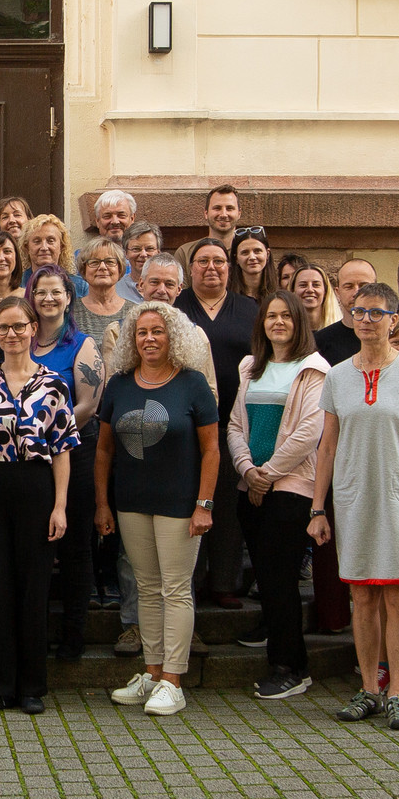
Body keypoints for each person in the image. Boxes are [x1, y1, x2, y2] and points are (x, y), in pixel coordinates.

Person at [306, 283, 399, 733]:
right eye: (359, 311)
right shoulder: (338, 375)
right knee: (362, 595)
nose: (366, 320)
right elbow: (327, 446)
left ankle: (397, 692)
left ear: (392, 318)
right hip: (353, 497)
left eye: (376, 313)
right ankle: (368, 687)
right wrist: (318, 508)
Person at [95, 301, 221, 715]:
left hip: (180, 505)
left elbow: (211, 450)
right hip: (132, 503)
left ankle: (173, 681)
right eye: (142, 332)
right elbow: (104, 450)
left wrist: (204, 505)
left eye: (158, 331)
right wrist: (103, 504)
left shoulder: (193, 384)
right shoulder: (119, 385)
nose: (149, 339)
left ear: (173, 337)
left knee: (175, 589)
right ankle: (151, 673)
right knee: (147, 589)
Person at [0, 297, 76, 714]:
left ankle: (30, 687)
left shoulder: (54, 384)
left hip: (37, 487)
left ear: (33, 329)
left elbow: (62, 449)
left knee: (33, 586)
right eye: (3, 327)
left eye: (19, 326)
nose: (12, 334)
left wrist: (60, 506)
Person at [225, 290, 329, 701]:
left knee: (280, 580)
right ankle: (283, 653)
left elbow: (309, 433)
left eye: (287, 315)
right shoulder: (251, 367)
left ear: (299, 322)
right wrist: (248, 471)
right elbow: (236, 425)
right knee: (268, 579)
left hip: (290, 490)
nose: (279, 322)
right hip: (251, 487)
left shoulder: (314, 369)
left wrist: (266, 475)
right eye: (271, 316)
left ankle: (291, 668)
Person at [23, 266, 105, 661]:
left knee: (75, 546)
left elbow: (89, 404)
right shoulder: (21, 340)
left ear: (68, 297)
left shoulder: (82, 345)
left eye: (56, 291)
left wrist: (46, 433)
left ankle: (74, 634)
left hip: (75, 451)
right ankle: (33, 633)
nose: (48, 298)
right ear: (31, 297)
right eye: (41, 291)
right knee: (35, 545)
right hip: (29, 458)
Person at [174, 238, 258, 610]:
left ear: (229, 268)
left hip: (232, 423)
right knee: (186, 503)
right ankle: (189, 581)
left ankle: (224, 582)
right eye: (203, 261)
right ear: (190, 269)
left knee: (225, 503)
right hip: (184, 423)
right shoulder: (177, 307)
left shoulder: (249, 309)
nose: (211, 267)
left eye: (219, 261)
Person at [312, 257, 375, 366]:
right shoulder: (319, 342)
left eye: (363, 286)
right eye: (349, 287)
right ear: (338, 292)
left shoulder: (389, 336)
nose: (356, 292)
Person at [73, 237, 134, 344]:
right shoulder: (70, 311)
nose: (102, 267)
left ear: (120, 269)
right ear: (83, 270)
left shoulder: (134, 312)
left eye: (109, 262)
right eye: (94, 262)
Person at [22, 214, 88, 297]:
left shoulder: (80, 287)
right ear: (26, 247)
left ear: (62, 246)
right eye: (37, 241)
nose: (44, 247)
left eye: (50, 241)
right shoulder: (16, 285)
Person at [117, 221, 161, 304]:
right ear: (126, 253)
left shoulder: (168, 288)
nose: (143, 254)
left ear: (158, 253)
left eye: (149, 249)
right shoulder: (115, 289)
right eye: (136, 249)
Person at [289, 261, 340, 333]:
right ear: (293, 291)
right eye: (303, 285)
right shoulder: (287, 333)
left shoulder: (338, 331)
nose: (310, 290)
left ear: (325, 291)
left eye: (316, 285)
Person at [229, 228, 275, 302]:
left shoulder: (278, 296)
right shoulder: (226, 297)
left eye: (257, 251)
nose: (252, 257)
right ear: (236, 258)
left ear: (268, 254)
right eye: (245, 252)